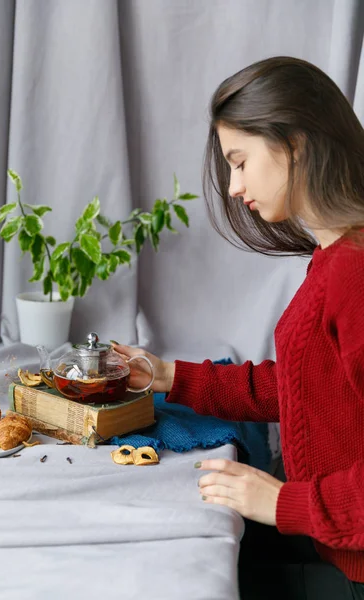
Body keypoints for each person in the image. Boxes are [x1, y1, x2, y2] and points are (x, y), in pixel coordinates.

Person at [112, 56, 364, 599]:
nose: (233, 186)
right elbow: (305, 388)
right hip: (332, 544)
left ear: (295, 143)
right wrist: (167, 376)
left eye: (240, 161)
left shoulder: (355, 270)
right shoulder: (335, 258)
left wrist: (280, 504)